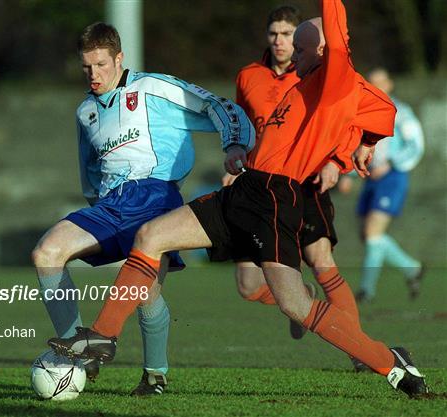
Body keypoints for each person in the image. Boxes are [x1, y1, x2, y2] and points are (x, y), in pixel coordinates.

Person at [49, 1, 429, 398]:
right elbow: (382, 107)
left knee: (296, 305)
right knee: (150, 237)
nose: (291, 55)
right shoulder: (308, 82)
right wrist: (366, 139)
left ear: (324, 51)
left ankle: (391, 364)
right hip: (248, 187)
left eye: (300, 48)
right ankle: (103, 337)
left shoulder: (334, 77)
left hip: (276, 199)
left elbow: (339, 36)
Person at [32, 23, 254, 396]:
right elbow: (88, 169)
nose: (94, 75)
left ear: (119, 58)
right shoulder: (85, 110)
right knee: (46, 253)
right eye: (86, 67)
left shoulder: (153, 87)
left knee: (146, 295)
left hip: (154, 196)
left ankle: (154, 375)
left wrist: (234, 145)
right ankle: (77, 353)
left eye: (101, 65)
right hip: (109, 205)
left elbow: (217, 105)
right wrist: (96, 205)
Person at [228, 5, 359, 343]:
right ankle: (302, 299)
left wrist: (337, 161)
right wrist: (235, 152)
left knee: (320, 257)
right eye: (274, 34)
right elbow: (241, 126)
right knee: (248, 284)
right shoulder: (248, 76)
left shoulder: (319, 73)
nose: (279, 41)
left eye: (287, 34)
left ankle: (357, 345)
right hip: (260, 184)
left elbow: (348, 118)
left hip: (305, 179)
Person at [338, 68, 425, 303]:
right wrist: (349, 175)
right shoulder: (364, 112)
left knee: (372, 232)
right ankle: (411, 267)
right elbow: (360, 147)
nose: (375, 87)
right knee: (367, 235)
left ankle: (366, 290)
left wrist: (392, 164)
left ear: (390, 84)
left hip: (392, 178)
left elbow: (416, 144)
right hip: (371, 178)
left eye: (380, 82)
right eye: (371, 83)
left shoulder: (401, 112)